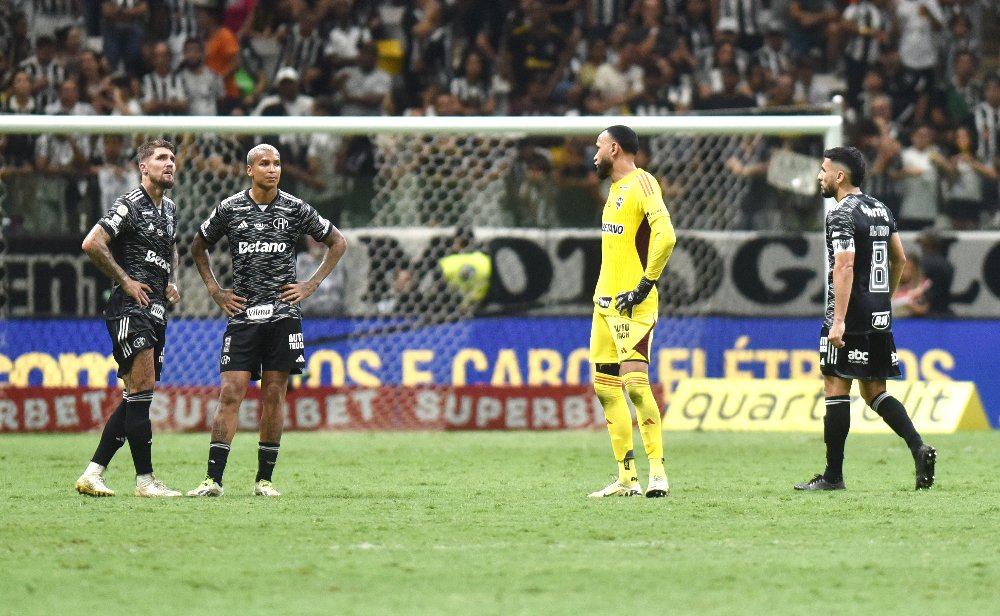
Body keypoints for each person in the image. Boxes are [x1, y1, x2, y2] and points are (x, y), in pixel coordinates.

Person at [187, 143, 347, 497]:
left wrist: (310, 285)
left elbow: (337, 242)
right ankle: (213, 480)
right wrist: (215, 290)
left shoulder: (294, 208)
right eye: (264, 163)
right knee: (230, 392)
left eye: (276, 163)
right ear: (250, 170)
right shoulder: (230, 209)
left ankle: (264, 480)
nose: (272, 169)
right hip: (243, 315)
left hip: (284, 315)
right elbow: (198, 245)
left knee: (274, 394)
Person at [795, 146, 936, 492]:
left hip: (848, 315)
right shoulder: (880, 208)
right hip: (878, 315)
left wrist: (839, 321)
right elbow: (899, 258)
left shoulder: (841, 213)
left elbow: (843, 265)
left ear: (839, 176)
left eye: (824, 170)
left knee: (835, 385)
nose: (819, 176)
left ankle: (833, 476)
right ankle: (919, 448)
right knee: (875, 391)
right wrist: (883, 299)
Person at [75, 138, 183, 498]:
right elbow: (92, 242)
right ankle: (145, 481)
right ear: (143, 167)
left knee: (136, 395)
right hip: (129, 308)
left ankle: (93, 472)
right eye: (162, 158)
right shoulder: (129, 204)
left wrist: (172, 280)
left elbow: (172, 248)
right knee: (141, 393)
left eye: (172, 158)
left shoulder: (169, 209)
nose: (170, 164)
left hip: (156, 311)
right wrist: (125, 280)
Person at [587, 125, 677, 499]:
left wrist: (643, 286)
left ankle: (658, 475)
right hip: (603, 304)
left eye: (599, 147)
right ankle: (627, 479)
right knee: (605, 388)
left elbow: (667, 235)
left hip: (632, 304)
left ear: (615, 148)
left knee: (636, 386)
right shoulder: (613, 190)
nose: (594, 155)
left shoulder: (643, 184)